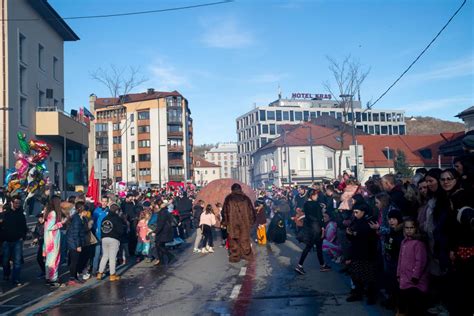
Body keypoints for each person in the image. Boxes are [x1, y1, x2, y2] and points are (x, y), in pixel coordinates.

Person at [345, 202, 378, 305]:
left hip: (367, 253)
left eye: (357, 212)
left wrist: (356, 234)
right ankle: (358, 293)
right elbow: (352, 237)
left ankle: (371, 296)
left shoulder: (370, 221)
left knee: (369, 276)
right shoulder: (355, 221)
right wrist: (350, 234)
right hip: (356, 252)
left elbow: (369, 236)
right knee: (356, 275)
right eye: (354, 212)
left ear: (363, 212)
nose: (355, 214)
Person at [397, 218, 429, 316]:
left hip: (415, 282)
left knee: (413, 307)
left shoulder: (418, 243)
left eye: (412, 227)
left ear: (416, 229)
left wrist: (415, 277)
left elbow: (421, 261)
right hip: (404, 279)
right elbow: (400, 259)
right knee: (402, 304)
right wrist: (398, 274)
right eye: (407, 228)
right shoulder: (403, 242)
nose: (409, 230)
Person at [295, 190, 330, 275]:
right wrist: (322, 227)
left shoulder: (306, 204)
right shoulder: (316, 205)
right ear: (312, 196)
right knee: (316, 247)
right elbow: (319, 217)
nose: (317, 196)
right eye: (316, 195)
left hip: (309, 228)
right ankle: (300, 266)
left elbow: (307, 216)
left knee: (311, 247)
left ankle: (322, 265)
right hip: (316, 228)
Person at [222, 183, 256, 263]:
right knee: (245, 239)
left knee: (233, 240)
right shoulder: (246, 198)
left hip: (232, 223)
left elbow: (224, 212)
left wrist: (225, 222)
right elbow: (251, 211)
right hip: (245, 222)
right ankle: (247, 255)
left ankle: (235, 256)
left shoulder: (229, 198)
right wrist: (251, 222)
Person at [1, 197, 28, 286]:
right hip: (6, 240)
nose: (18, 204)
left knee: (17, 261)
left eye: (19, 203)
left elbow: (24, 227)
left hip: (17, 241)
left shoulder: (21, 215)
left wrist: (22, 237)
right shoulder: (4, 214)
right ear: (11, 203)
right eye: (16, 203)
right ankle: (6, 274)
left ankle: (16, 278)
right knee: (5, 261)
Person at [97, 203, 124, 281]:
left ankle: (100, 273)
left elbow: (102, 228)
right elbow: (120, 230)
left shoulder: (105, 218)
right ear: (116, 211)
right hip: (114, 239)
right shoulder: (117, 218)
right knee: (112, 257)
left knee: (105, 256)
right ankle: (112, 275)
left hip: (104, 238)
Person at [43, 196, 66, 287]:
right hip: (52, 240)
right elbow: (50, 227)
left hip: (48, 240)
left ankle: (49, 278)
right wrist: (61, 223)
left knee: (49, 261)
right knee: (54, 260)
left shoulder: (48, 212)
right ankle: (53, 279)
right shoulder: (53, 213)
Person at [66, 201, 88, 286]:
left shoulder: (79, 218)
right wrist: (78, 245)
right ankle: (72, 278)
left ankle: (75, 277)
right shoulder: (77, 220)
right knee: (74, 262)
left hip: (74, 242)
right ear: (83, 211)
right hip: (74, 243)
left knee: (76, 261)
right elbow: (76, 233)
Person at [153, 199, 175, 265]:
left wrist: (155, 232)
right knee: (160, 245)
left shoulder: (162, 212)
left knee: (159, 245)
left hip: (163, 232)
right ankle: (163, 259)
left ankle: (168, 256)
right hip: (165, 231)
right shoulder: (165, 211)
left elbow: (161, 224)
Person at [92, 197, 109, 275]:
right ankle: (94, 270)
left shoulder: (109, 211)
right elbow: (93, 222)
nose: (104, 203)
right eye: (103, 201)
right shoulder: (96, 211)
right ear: (101, 202)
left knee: (104, 254)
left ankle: (103, 269)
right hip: (97, 235)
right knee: (97, 253)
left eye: (106, 201)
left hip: (106, 235)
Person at [32, 212, 46, 278]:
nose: (40, 219)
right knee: (39, 258)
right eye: (39, 218)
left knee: (46, 259)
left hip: (47, 243)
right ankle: (44, 271)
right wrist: (35, 237)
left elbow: (47, 234)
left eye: (41, 217)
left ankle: (48, 272)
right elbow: (34, 232)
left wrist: (38, 238)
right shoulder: (37, 224)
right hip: (41, 243)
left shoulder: (46, 224)